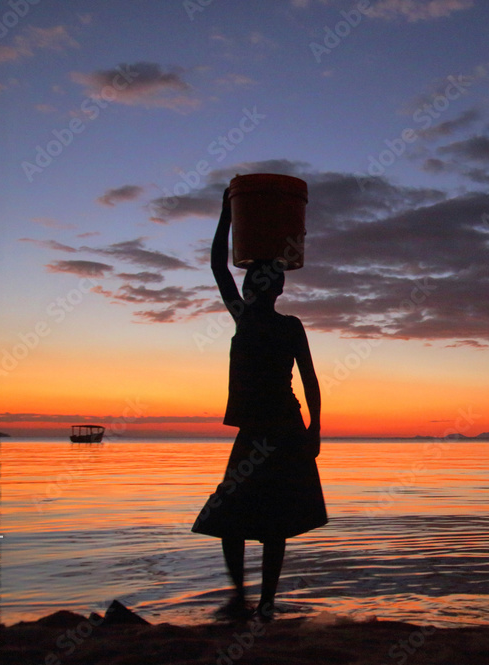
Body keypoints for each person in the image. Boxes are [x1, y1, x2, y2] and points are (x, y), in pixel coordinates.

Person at [191, 187, 327, 622]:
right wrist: (227, 213)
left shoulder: (282, 325)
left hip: (281, 429)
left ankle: (259, 602)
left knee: (271, 519)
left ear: (273, 288)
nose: (250, 285)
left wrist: (314, 431)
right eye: (250, 281)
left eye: (256, 280)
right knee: (235, 514)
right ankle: (247, 599)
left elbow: (310, 380)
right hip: (265, 429)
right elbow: (219, 266)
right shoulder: (248, 317)